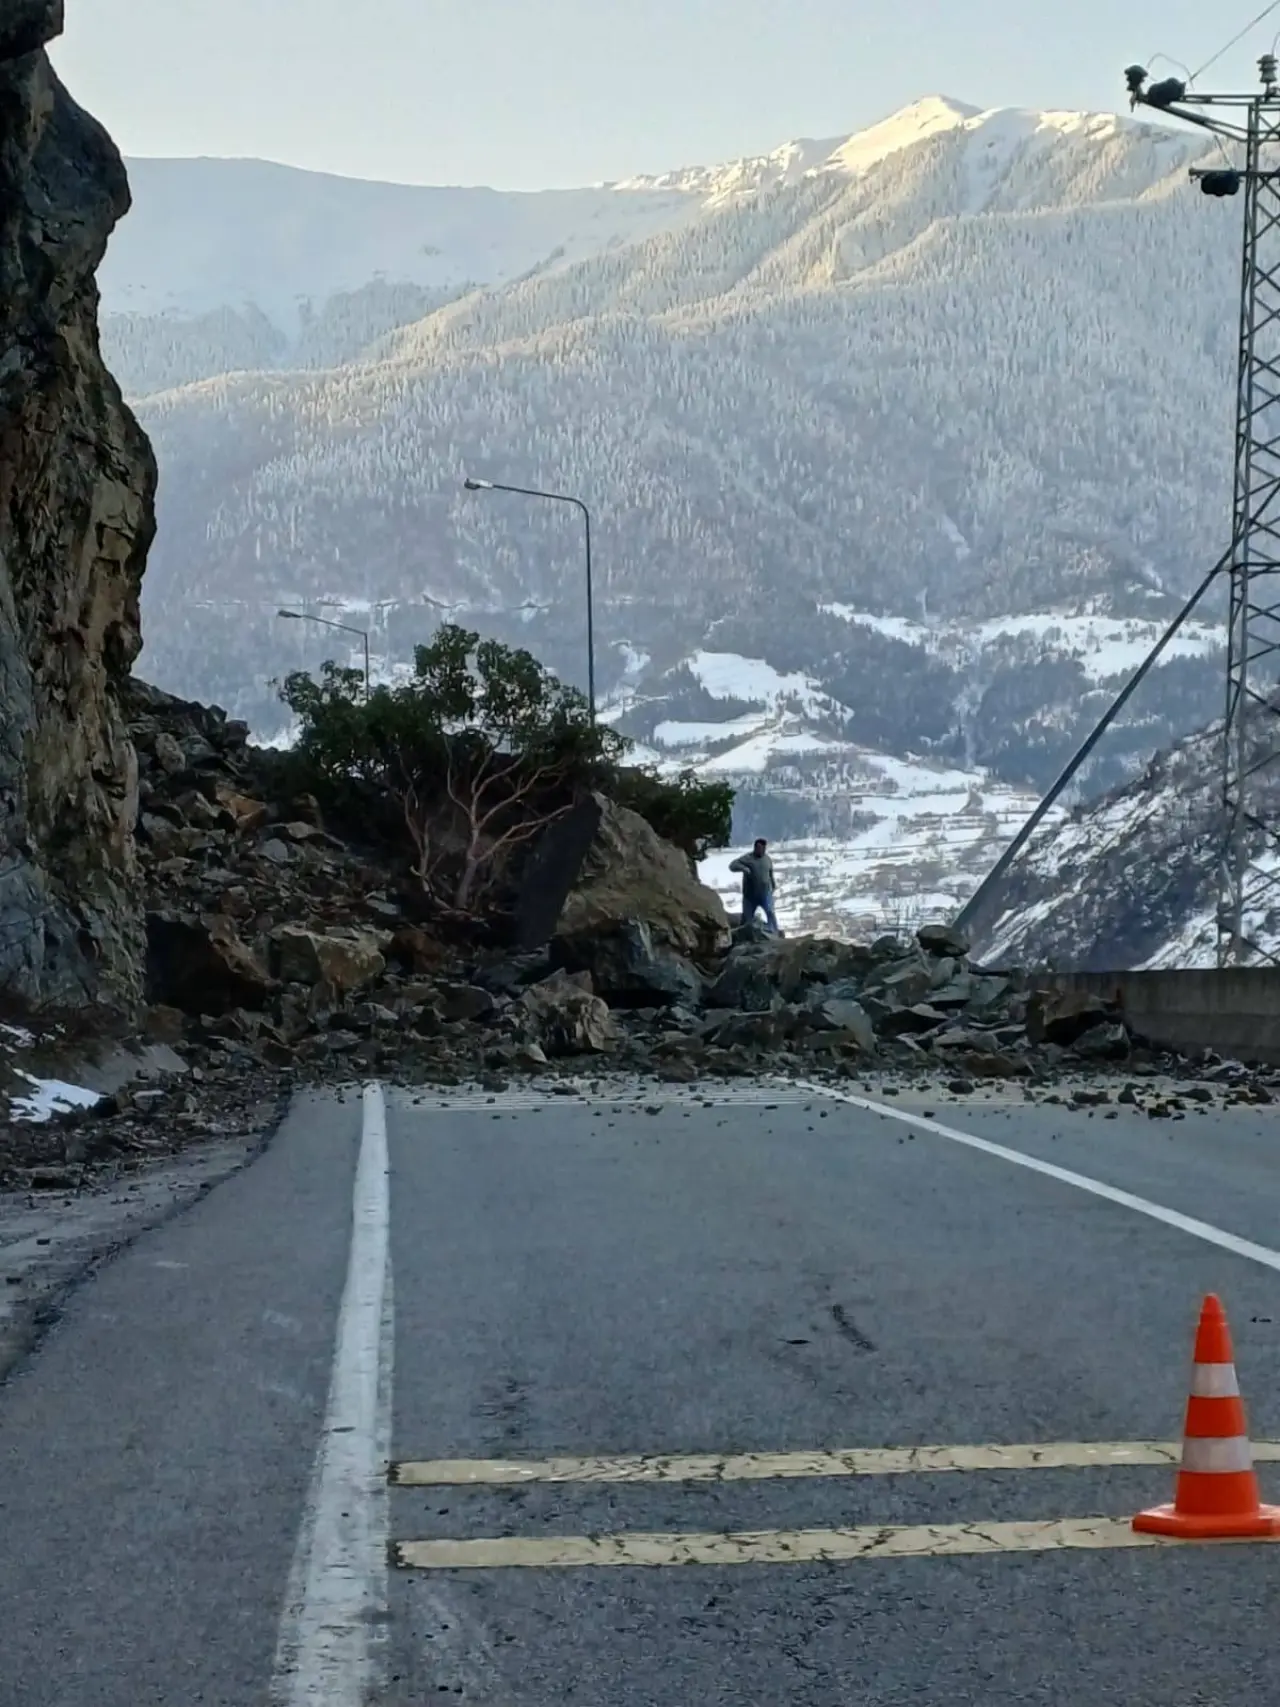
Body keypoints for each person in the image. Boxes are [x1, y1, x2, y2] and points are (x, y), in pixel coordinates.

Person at [729, 838, 779, 933]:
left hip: (765, 893)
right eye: (760, 848)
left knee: (770, 912)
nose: (762, 850)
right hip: (750, 895)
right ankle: (746, 935)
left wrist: (773, 884)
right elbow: (732, 865)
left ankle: (775, 932)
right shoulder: (747, 858)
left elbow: (770, 873)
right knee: (748, 918)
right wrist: (744, 868)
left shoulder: (767, 859)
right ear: (755, 848)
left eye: (764, 848)